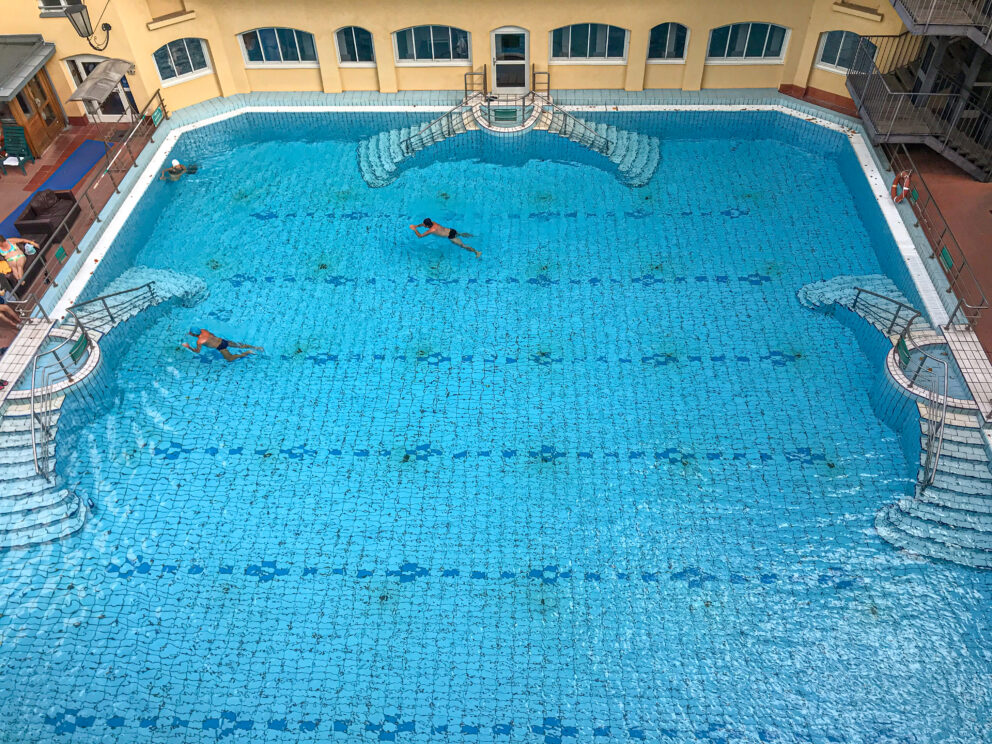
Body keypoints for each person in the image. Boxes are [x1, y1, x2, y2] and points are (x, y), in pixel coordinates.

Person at [409, 218, 480, 258]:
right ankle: (473, 236)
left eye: (424, 225)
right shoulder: (433, 222)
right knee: (460, 234)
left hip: (451, 236)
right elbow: (423, 224)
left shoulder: (432, 230)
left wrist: (414, 229)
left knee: (462, 245)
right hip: (452, 230)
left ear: (427, 226)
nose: (423, 226)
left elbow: (420, 236)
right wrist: (416, 226)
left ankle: (477, 252)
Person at [183, 328, 263, 362]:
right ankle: (257, 347)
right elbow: (212, 334)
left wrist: (188, 346)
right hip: (223, 341)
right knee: (240, 345)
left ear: (194, 334)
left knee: (230, 359)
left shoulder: (199, 341)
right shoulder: (204, 331)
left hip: (220, 347)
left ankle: (248, 352)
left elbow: (197, 351)